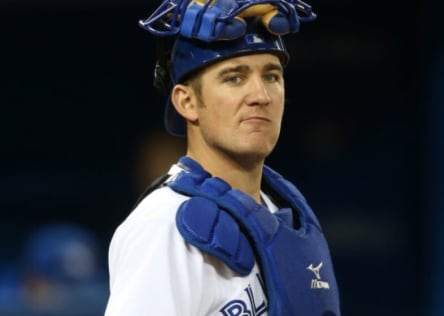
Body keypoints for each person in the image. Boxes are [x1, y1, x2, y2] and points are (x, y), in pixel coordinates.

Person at [105, 0, 341, 315]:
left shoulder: (285, 213)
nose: (260, 96)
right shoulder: (163, 227)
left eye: (271, 76)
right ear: (186, 102)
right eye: (234, 78)